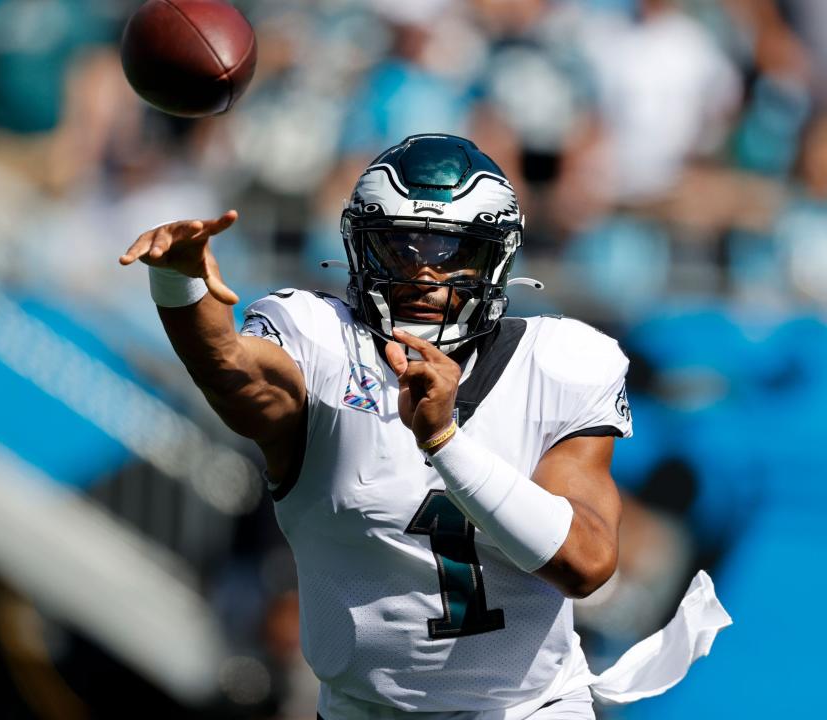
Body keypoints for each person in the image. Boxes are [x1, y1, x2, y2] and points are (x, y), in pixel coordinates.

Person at [120, 134, 729, 719]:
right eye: (398, 248)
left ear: (496, 258)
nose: (424, 276)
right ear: (361, 248)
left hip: (525, 710)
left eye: (452, 253)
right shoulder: (320, 340)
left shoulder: (558, 361)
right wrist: (180, 283)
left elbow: (586, 562)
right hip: (361, 710)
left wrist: (445, 443)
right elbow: (233, 371)